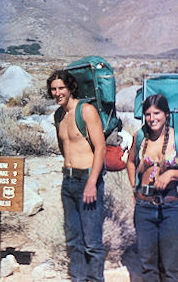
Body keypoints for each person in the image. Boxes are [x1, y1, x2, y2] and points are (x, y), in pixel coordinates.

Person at [126, 94, 178, 282]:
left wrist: (171, 174)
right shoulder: (140, 136)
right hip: (144, 208)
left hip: (171, 207)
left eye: (157, 113)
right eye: (148, 114)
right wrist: (135, 187)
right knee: (148, 265)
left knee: (172, 267)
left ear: (166, 114)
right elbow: (130, 162)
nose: (152, 118)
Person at [47, 70, 106, 282]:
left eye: (61, 88)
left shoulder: (86, 111)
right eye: (53, 89)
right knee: (73, 240)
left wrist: (91, 182)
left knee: (92, 242)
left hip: (87, 180)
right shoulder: (58, 116)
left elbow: (100, 148)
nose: (57, 93)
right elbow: (64, 148)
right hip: (68, 181)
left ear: (70, 87)